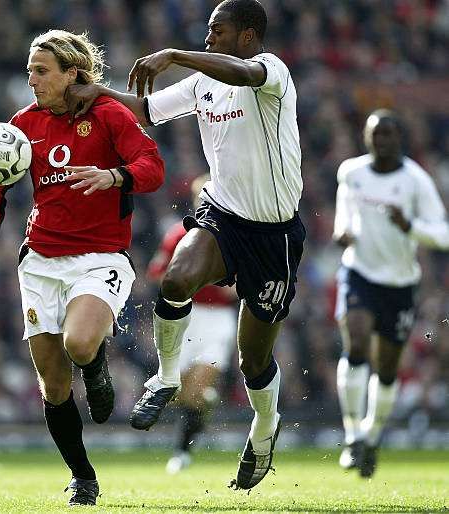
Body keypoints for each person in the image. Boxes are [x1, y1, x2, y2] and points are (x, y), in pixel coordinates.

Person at [66, 0, 305, 490]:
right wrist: (96, 93)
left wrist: (174, 53)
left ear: (247, 35)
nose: (209, 35)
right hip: (222, 213)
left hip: (274, 232)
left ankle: (264, 428)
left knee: (253, 360)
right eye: (208, 29)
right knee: (176, 278)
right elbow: (147, 111)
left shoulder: (271, 72)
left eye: (218, 29)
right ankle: (167, 376)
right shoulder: (202, 84)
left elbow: (243, 74)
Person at [0, 30, 164, 506]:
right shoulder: (23, 124)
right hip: (40, 262)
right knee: (54, 382)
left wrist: (114, 175)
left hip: (101, 256)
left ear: (72, 74)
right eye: (29, 71)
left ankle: (96, 364)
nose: (32, 80)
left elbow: (152, 166)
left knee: (79, 343)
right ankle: (83, 475)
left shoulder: (108, 115)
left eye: (41, 71)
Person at [333, 109, 449, 478]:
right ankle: (352, 436)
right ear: (366, 138)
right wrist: (343, 232)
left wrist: (410, 226)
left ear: (400, 138)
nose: (380, 141)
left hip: (399, 284)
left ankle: (372, 436)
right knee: (355, 346)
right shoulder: (351, 172)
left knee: (385, 371)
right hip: (359, 273)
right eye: (374, 134)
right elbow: (344, 213)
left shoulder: (416, 181)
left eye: (387, 134)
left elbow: (443, 234)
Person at [147, 175, 238, 474]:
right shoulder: (178, 234)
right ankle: (200, 412)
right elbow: (158, 274)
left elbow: (244, 282)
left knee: (197, 388)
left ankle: (181, 451)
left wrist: (233, 288)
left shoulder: (235, 235)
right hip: (186, 316)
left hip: (217, 319)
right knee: (182, 394)